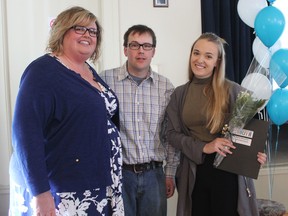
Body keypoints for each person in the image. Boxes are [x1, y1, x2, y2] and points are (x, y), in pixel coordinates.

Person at [9, 6, 124, 215]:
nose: (88, 35)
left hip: (96, 183)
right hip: (63, 191)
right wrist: (40, 193)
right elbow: (25, 133)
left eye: (93, 31)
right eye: (79, 28)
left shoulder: (88, 70)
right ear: (62, 31)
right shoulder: (42, 72)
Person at [165, 32, 267, 216]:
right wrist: (205, 147)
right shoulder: (179, 94)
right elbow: (171, 134)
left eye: (208, 56)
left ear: (217, 62)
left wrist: (257, 154)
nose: (200, 60)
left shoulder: (235, 91)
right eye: (196, 53)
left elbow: (253, 133)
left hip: (229, 175)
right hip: (194, 173)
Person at [100, 24, 179, 216]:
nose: (141, 50)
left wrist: (170, 173)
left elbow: (169, 134)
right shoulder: (105, 80)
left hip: (154, 175)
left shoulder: (165, 86)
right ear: (125, 49)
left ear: (153, 51)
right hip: (119, 175)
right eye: (134, 45)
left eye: (146, 46)